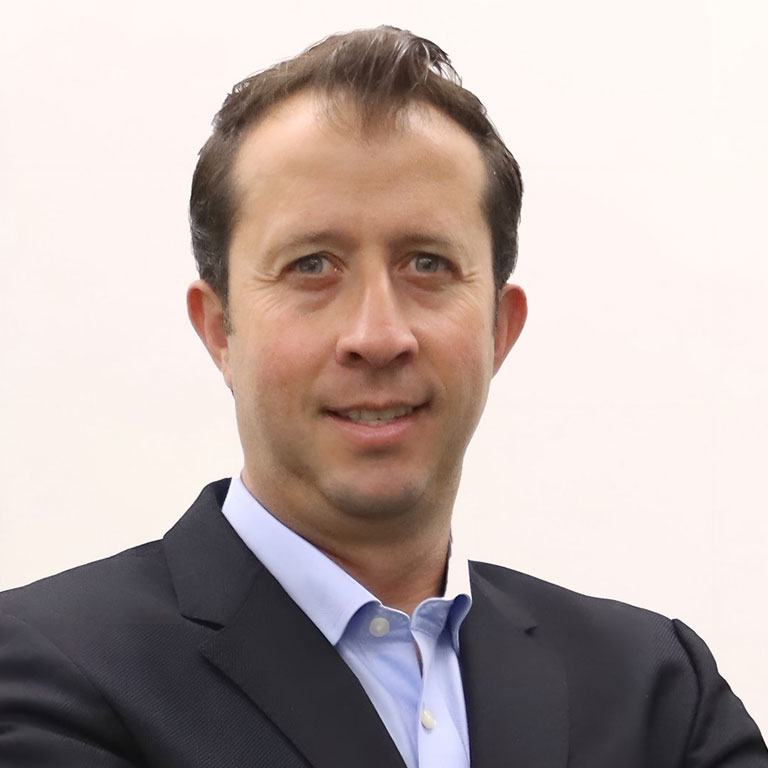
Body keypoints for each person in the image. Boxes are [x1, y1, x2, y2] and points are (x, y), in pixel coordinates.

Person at [0, 25, 765, 768]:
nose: (377, 335)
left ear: (500, 329)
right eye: (312, 265)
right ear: (219, 330)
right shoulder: (48, 676)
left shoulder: (660, 694)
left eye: (427, 263)